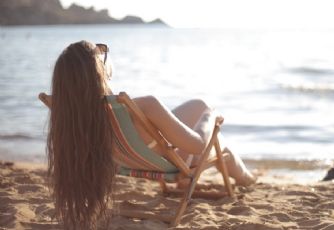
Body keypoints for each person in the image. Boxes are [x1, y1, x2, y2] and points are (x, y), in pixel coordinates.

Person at [46, 40, 256, 229]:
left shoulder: (73, 115)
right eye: (101, 52)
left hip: (133, 159)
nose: (106, 54)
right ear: (98, 69)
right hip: (171, 161)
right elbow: (199, 145)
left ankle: (242, 175)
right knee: (215, 135)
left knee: (197, 105)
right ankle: (247, 179)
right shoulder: (145, 105)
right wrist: (212, 116)